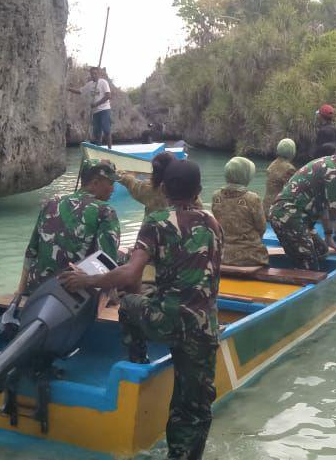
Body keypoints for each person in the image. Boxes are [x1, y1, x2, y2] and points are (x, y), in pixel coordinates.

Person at [60, 159, 222, 460]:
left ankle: (139, 360)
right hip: (203, 328)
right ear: (199, 190)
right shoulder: (213, 224)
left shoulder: (157, 222)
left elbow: (131, 275)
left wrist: (88, 279)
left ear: (162, 187)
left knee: (129, 302)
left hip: (165, 321)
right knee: (195, 408)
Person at [16, 159, 120, 294]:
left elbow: (31, 252)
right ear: (95, 183)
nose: (113, 189)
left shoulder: (51, 204)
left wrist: (20, 292)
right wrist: (113, 298)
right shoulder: (105, 211)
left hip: (37, 290)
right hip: (73, 294)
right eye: (111, 183)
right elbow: (108, 264)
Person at [269, 146, 336, 270]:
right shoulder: (334, 173)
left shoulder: (328, 160)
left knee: (321, 251)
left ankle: (298, 257)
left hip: (299, 218)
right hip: (288, 217)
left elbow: (324, 205)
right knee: (310, 265)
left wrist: (328, 235)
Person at [212, 157, 268, 266]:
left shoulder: (216, 196)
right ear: (245, 176)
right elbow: (262, 227)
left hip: (222, 256)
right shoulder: (252, 198)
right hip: (251, 257)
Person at [119, 151, 176, 217]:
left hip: (151, 227)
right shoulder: (181, 190)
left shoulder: (147, 188)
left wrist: (117, 173)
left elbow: (130, 181)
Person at [68, 66, 113, 149]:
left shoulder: (103, 82)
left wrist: (96, 104)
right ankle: (98, 149)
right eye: (92, 74)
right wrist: (68, 89)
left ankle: (110, 148)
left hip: (104, 109)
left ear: (98, 74)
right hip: (95, 112)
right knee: (96, 132)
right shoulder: (90, 85)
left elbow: (108, 96)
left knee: (106, 130)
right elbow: (80, 91)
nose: (93, 75)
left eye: (95, 73)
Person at [263, 138, 297, 216]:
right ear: (292, 151)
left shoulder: (272, 164)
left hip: (265, 208)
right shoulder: (289, 168)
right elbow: (291, 192)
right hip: (277, 209)